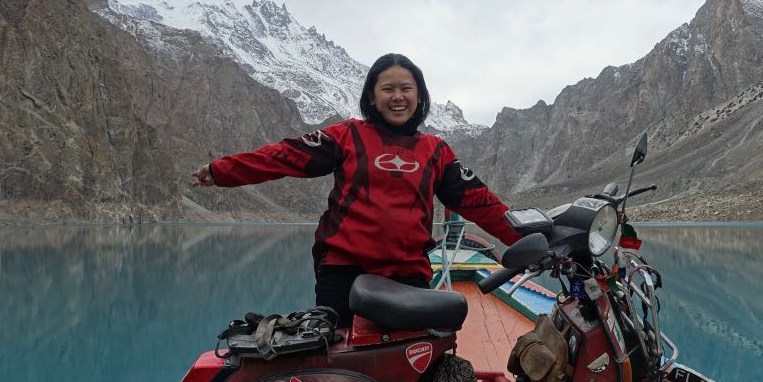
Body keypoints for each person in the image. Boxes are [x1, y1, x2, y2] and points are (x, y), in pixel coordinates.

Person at [192, 53, 521, 326]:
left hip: (408, 276)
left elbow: (477, 200)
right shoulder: (347, 136)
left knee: (412, 365)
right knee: (339, 366)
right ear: (372, 98)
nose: (397, 97)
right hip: (343, 273)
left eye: (406, 88)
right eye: (387, 88)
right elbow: (286, 156)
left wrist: (528, 239)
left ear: (419, 96)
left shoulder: (435, 151)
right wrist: (222, 171)